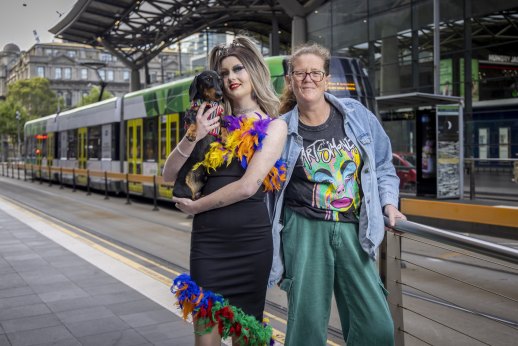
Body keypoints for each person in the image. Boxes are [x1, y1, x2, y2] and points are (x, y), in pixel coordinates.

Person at [268, 43, 406, 346]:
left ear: (326, 78)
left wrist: (389, 204)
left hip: (353, 228)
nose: (308, 79)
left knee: (377, 328)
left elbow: (383, 165)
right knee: (307, 329)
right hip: (303, 231)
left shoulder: (357, 116)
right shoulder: (280, 129)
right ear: (290, 80)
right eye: (300, 73)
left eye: (315, 72)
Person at [163, 36, 287, 346]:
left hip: (251, 245)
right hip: (209, 244)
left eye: (238, 69)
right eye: (224, 73)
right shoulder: (209, 120)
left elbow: (247, 187)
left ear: (254, 72)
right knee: (206, 339)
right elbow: (168, 175)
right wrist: (193, 136)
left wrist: (195, 207)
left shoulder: (274, 126)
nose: (231, 78)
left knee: (247, 337)